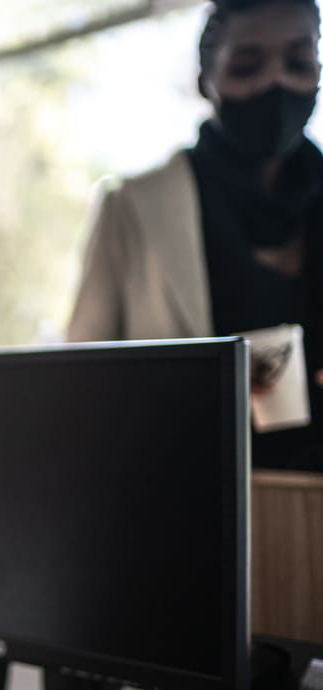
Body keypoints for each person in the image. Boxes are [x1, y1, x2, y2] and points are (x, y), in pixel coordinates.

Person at [69, 0, 323, 470]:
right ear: (207, 79)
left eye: (298, 62)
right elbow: (80, 387)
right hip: (189, 506)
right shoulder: (133, 207)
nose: (276, 83)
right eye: (248, 66)